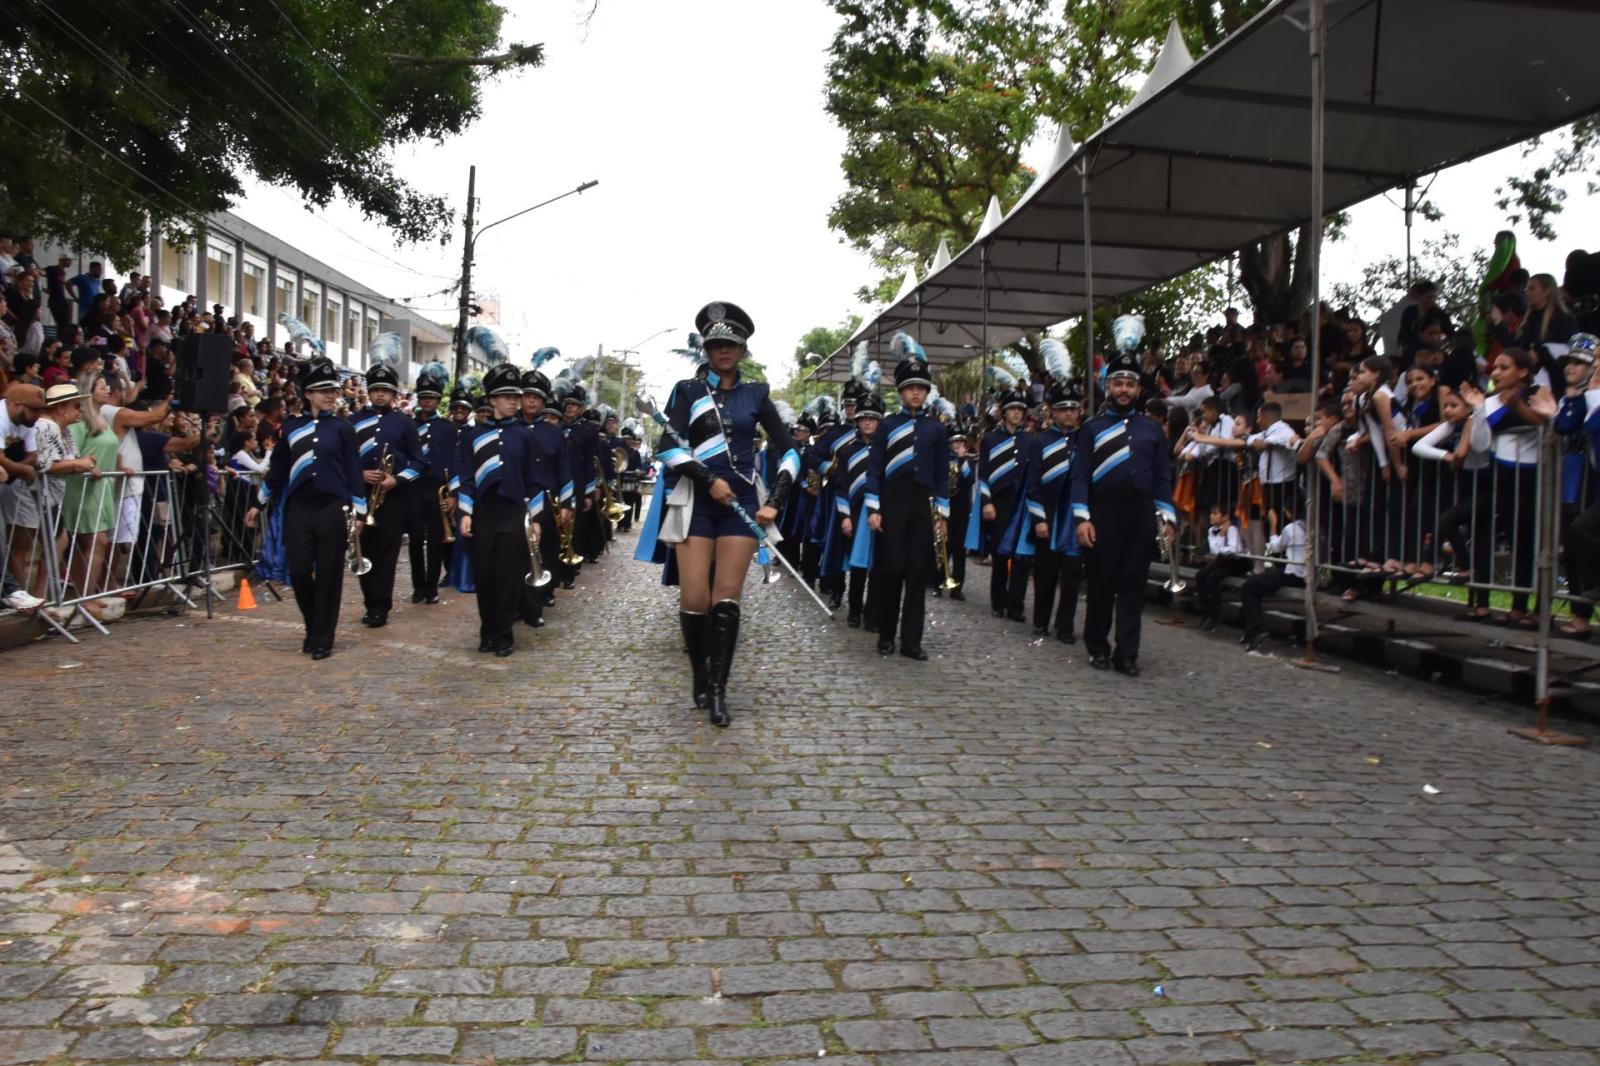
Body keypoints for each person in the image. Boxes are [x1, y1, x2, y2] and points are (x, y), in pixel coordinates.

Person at [642, 301, 798, 727]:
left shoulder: (758, 394)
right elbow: (668, 448)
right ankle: (699, 672)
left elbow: (789, 452)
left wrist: (775, 500)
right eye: (716, 345)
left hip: (742, 505)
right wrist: (708, 478)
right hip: (696, 502)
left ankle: (717, 690)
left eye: (731, 344)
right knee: (694, 597)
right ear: (706, 350)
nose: (723, 351)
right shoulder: (687, 391)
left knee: (726, 596)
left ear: (742, 349)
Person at [246, 357, 365, 659]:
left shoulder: (342, 429)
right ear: (308, 393)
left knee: (329, 573)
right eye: (321, 390)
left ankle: (323, 637)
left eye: (332, 390)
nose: (329, 395)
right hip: (299, 507)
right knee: (299, 570)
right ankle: (314, 624)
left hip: (332, 507)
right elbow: (278, 470)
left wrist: (360, 510)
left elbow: (353, 470)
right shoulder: (291, 427)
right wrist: (258, 503)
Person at [1070, 340, 1176, 677]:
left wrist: (1167, 518)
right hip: (1102, 514)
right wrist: (1082, 518)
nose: (1124, 389)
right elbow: (1080, 476)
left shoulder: (1152, 430)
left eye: (1130, 383)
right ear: (1107, 386)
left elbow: (1162, 476)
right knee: (1102, 583)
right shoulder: (1090, 429)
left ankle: (1127, 654)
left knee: (1133, 585)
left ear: (1138, 388)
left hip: (1141, 514)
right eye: (1118, 383)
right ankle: (1098, 647)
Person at [860, 332, 949, 660]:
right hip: (892, 505)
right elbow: (874, 469)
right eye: (910, 387)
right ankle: (886, 635)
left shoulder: (937, 430)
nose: (915, 392)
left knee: (917, 575)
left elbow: (942, 476)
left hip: (923, 507)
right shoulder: (887, 426)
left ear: (926, 392)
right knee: (891, 571)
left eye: (921, 387)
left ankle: (912, 641)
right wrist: (874, 507)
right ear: (900, 391)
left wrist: (943, 517)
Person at [452, 365, 542, 656]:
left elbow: (533, 479)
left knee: (508, 575)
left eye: (515, 396)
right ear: (492, 400)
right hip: (483, 513)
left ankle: (504, 635)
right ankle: (487, 631)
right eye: (505, 397)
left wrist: (536, 519)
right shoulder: (473, 436)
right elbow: (464, 476)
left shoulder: (525, 436)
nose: (513, 401)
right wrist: (465, 513)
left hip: (514, 512)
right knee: (485, 575)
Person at [349, 361, 422, 628]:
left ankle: (381, 606)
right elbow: (343, 461)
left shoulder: (404, 424)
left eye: (386, 390)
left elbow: (418, 462)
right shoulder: (353, 421)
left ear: (394, 394)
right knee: (363, 551)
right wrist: (360, 474)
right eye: (376, 389)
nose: (380, 394)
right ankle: (370, 602)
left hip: (393, 498)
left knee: (387, 554)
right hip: (361, 497)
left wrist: (397, 479)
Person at [1023, 378, 1084, 643]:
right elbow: (1032, 484)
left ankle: (1065, 626)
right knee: (1045, 574)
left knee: (1071, 577)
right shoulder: (1040, 442)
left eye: (1072, 408)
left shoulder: (1085, 440)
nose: (1068, 413)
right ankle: (1040, 621)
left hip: (1074, 519)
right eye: (1062, 408)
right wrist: (1039, 518)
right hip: (1048, 516)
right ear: (1053, 411)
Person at [517, 360, 575, 627]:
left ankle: (535, 605)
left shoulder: (554, 433)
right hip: (515, 501)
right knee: (516, 555)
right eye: (526, 396)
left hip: (547, 503)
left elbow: (564, 469)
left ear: (543, 401)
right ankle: (515, 605)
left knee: (543, 554)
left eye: (536, 397)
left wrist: (567, 503)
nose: (531, 401)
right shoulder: (508, 429)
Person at [977, 384, 1032, 621]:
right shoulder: (990, 439)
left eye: (1020, 409)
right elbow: (983, 474)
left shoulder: (1031, 440)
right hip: (999, 502)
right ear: (1004, 412)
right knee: (1000, 553)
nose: (1017, 413)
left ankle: (1016, 606)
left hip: (1023, 504)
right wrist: (987, 501)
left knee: (1021, 556)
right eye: (1012, 409)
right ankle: (998, 602)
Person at [407, 365, 456, 606]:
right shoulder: (408, 426)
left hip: (437, 487)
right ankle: (417, 586)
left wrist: (453, 493)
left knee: (437, 539)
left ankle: (431, 587)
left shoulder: (447, 428)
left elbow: (455, 461)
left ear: (438, 400)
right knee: (415, 539)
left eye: (432, 398)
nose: (427, 402)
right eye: (424, 397)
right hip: (414, 487)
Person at [835, 390, 883, 629]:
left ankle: (873, 612)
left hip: (880, 514)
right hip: (855, 513)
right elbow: (841, 487)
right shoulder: (847, 451)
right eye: (863, 417)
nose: (867, 422)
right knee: (857, 566)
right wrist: (845, 517)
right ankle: (854, 610)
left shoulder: (886, 451)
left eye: (872, 418)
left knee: (878, 567)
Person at [1240, 505, 1308, 653]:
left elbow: (1274, 548)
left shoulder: (1291, 528)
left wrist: (1273, 525)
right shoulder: (1315, 527)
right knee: (1255, 584)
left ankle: (1256, 629)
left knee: (1249, 587)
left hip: (1292, 574)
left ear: (1289, 513)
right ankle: (1253, 629)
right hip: (1305, 575)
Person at [1191, 504, 1249, 631]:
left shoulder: (1232, 529)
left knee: (1213, 578)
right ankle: (1206, 611)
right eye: (1211, 513)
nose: (1211, 516)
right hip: (1222, 560)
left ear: (1225, 517)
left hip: (1236, 562)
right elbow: (1215, 550)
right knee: (1200, 576)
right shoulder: (1211, 530)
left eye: (1215, 514)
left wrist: (1222, 537)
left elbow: (1233, 549)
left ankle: (1215, 615)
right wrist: (1221, 537)